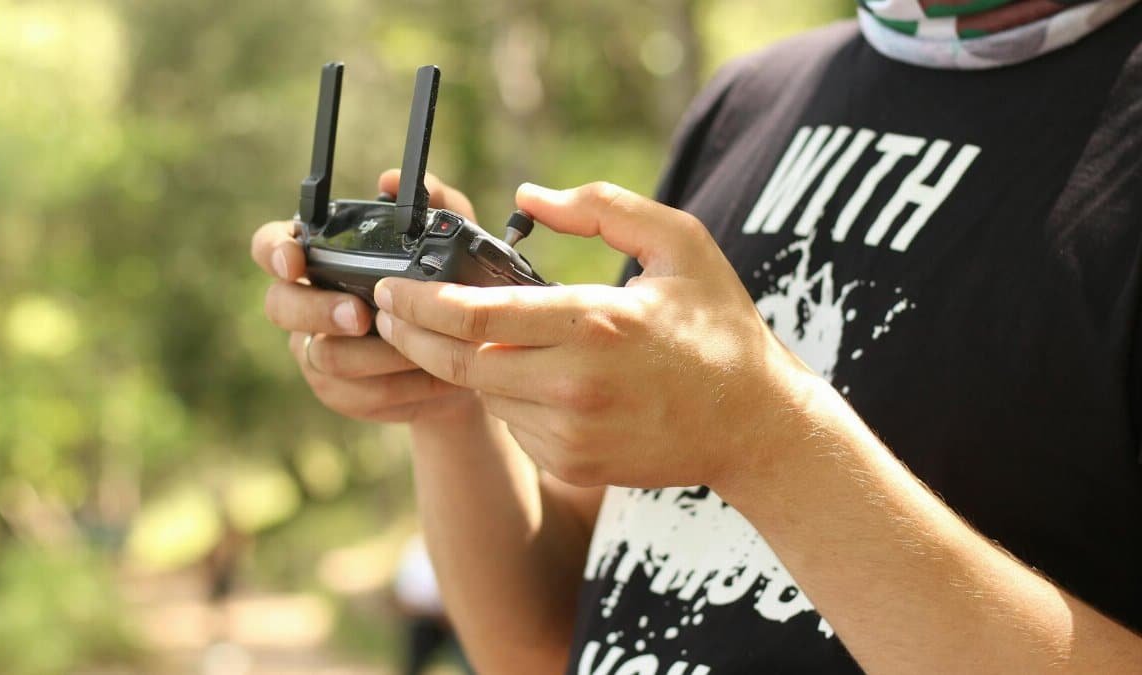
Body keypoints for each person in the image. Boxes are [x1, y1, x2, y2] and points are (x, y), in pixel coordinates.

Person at [251, 1, 1142, 672]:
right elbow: (550, 639)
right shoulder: (753, 102)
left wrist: (767, 442)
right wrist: (452, 396)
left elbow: (760, 434)